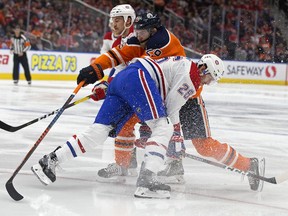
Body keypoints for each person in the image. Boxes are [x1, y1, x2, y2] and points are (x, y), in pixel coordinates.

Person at [31, 54, 225, 199]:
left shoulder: (183, 63)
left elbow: (162, 105)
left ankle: (51, 161)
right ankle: (147, 180)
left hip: (123, 78)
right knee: (163, 127)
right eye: (210, 78)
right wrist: (167, 140)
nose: (208, 83)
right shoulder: (191, 78)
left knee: (99, 130)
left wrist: (154, 133)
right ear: (204, 70)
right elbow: (168, 110)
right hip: (140, 79)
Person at [91, 11, 186, 182]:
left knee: (167, 123)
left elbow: (136, 68)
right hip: (146, 88)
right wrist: (98, 70)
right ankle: (123, 164)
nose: (137, 34)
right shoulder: (141, 38)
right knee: (126, 124)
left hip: (166, 91)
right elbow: (119, 58)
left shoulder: (161, 43)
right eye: (136, 30)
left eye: (141, 31)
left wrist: (110, 85)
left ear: (153, 31)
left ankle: (175, 162)